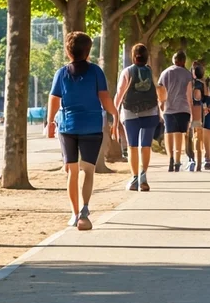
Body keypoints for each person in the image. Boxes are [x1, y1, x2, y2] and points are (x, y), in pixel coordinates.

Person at [46, 32, 119, 231]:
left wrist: (50, 122)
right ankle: (85, 209)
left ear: (68, 51)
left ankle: (74, 212)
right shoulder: (96, 72)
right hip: (92, 125)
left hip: (68, 126)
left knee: (71, 170)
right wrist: (115, 113)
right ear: (88, 51)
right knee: (88, 169)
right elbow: (104, 98)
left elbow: (54, 99)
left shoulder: (61, 73)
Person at [112, 43, 161, 191]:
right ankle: (143, 177)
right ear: (147, 57)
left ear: (133, 56)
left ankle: (134, 179)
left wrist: (115, 113)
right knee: (145, 146)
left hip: (130, 113)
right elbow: (158, 90)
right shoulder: (150, 71)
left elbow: (120, 93)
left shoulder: (127, 71)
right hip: (150, 112)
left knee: (132, 146)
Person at [157, 51, 194, 172]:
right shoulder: (188, 74)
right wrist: (191, 110)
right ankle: (177, 161)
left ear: (174, 60)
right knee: (179, 133)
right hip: (183, 108)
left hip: (168, 107)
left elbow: (160, 90)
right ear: (184, 61)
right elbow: (189, 94)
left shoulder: (165, 73)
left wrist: (161, 104)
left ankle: (170, 158)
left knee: (168, 132)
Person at [193, 63, 210, 171]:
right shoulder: (209, 82)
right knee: (208, 135)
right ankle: (207, 157)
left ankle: (199, 159)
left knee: (198, 135)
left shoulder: (195, 84)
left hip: (199, 110)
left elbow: (197, 97)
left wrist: (203, 107)